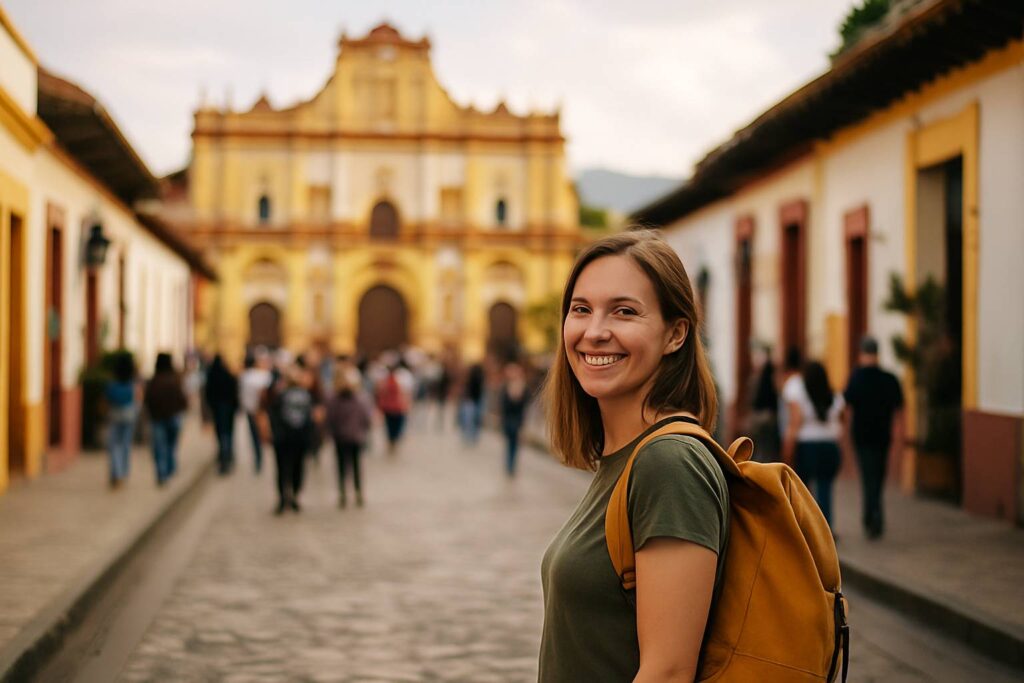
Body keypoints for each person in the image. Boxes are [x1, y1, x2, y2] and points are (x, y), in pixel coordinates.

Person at [538, 230, 728, 682]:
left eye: (624, 312)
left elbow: (667, 672)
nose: (595, 332)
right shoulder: (623, 460)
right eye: (581, 309)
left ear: (675, 334)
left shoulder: (670, 464)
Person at [844, 335, 904, 539]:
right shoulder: (889, 379)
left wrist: (845, 434)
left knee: (868, 476)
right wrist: (898, 435)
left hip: (862, 436)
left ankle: (871, 516)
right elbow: (899, 410)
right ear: (877, 354)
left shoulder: (856, 378)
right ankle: (875, 515)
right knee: (878, 476)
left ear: (862, 354)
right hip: (882, 435)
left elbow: (848, 408)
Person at [782, 360, 845, 528]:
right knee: (825, 489)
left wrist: (788, 449)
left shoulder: (802, 396)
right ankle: (826, 528)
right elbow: (842, 422)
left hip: (808, 446)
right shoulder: (835, 397)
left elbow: (795, 422)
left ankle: (807, 529)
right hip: (830, 446)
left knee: (803, 491)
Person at [265, 364, 314, 514]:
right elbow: (309, 419)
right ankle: (294, 496)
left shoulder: (280, 395)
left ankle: (282, 498)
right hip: (299, 439)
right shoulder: (306, 396)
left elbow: (273, 416)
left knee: (281, 469)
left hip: (282, 439)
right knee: (297, 468)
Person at [326, 364, 373, 508]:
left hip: (341, 437)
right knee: (356, 466)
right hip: (356, 436)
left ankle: (343, 493)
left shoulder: (334, 399)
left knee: (342, 467)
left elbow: (331, 418)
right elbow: (367, 418)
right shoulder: (361, 398)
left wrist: (332, 431)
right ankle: (358, 492)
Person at [144, 353, 188, 486]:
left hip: (158, 418)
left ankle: (163, 473)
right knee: (170, 445)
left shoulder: (154, 380)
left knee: (160, 447)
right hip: (173, 417)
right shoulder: (175, 379)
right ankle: (169, 468)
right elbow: (182, 399)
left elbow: (147, 400)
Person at [104, 354, 138, 488]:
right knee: (125, 445)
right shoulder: (132, 382)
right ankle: (123, 472)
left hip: (115, 415)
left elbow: (107, 398)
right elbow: (136, 398)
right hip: (129, 415)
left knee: (114, 445)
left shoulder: (112, 383)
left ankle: (116, 474)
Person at [204, 354, 239, 475]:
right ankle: (227, 456)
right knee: (227, 434)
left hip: (218, 410)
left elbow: (208, 394)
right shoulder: (228, 376)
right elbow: (235, 393)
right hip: (228, 410)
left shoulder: (212, 377)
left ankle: (224, 457)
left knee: (222, 434)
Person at [239, 350, 273, 473]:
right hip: (261, 410)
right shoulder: (264, 376)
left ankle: (258, 458)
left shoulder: (244, 377)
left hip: (250, 410)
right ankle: (261, 456)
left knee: (254, 435)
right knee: (262, 433)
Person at [746, 344, 780, 463]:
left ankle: (757, 468)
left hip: (759, 416)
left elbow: (751, 398)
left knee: (757, 446)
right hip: (770, 416)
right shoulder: (774, 379)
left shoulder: (756, 379)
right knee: (767, 447)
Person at [499, 361, 529, 477]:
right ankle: (509, 465)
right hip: (508, 420)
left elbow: (525, 404)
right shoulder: (506, 386)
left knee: (514, 445)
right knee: (509, 444)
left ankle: (511, 466)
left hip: (517, 420)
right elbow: (503, 404)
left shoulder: (523, 386)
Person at [376, 364, 410, 454]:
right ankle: (393, 443)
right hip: (396, 408)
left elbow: (381, 395)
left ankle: (391, 443)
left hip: (389, 408)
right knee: (395, 428)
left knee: (390, 427)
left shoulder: (385, 382)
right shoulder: (398, 380)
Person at [458, 362, 485, 446]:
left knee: (469, 419)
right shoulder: (480, 378)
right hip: (476, 400)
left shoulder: (471, 378)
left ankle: (469, 435)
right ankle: (473, 436)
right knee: (475, 419)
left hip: (471, 401)